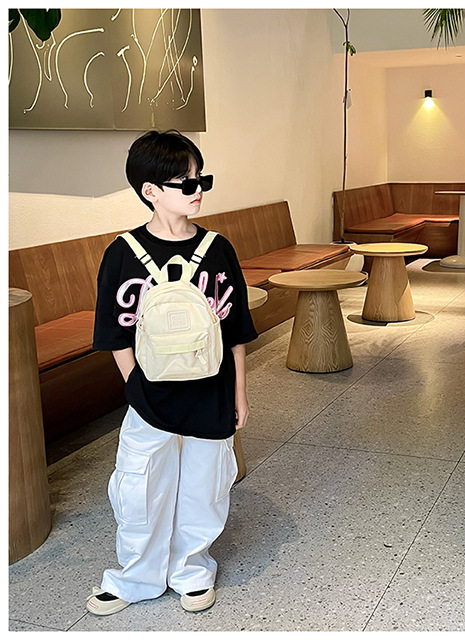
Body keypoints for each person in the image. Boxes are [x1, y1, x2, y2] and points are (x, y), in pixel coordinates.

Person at [87, 130, 257, 615]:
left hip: (212, 391)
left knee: (205, 484)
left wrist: (240, 392)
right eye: (185, 182)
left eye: (201, 179)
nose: (197, 189)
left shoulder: (219, 249)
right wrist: (135, 388)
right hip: (150, 395)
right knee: (139, 486)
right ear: (150, 191)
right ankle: (135, 576)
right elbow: (114, 333)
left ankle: (192, 570)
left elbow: (235, 329)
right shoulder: (122, 253)